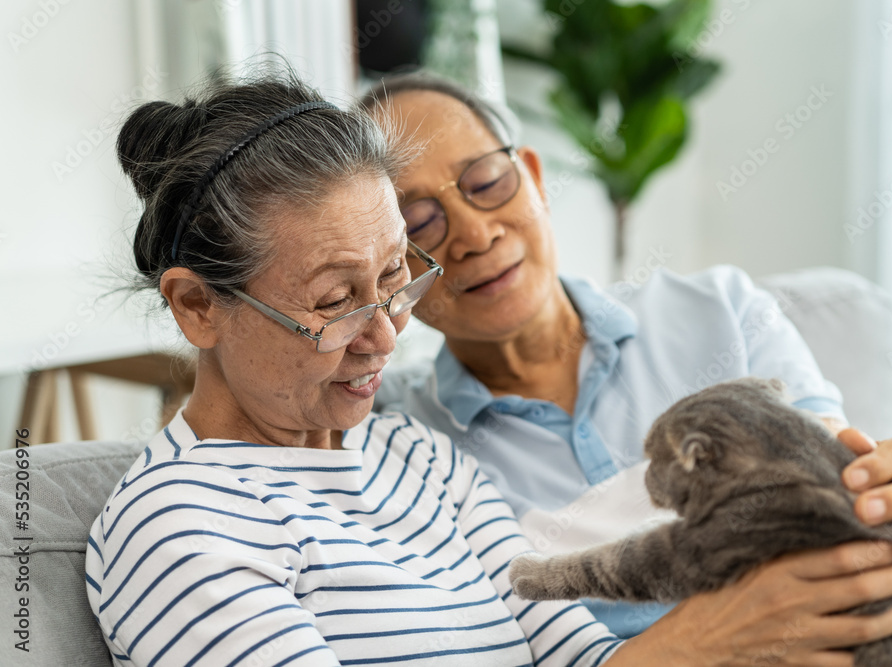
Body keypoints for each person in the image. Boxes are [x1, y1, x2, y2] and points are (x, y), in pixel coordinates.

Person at [81, 72, 734, 666]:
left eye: (396, 274)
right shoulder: (179, 523)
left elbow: (585, 656)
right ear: (197, 306)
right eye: (334, 302)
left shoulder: (425, 460)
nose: (385, 335)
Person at [364, 73, 892, 664]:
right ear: (390, 272)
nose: (475, 235)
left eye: (486, 182)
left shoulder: (721, 310)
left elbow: (840, 468)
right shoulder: (401, 448)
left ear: (531, 174)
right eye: (419, 223)